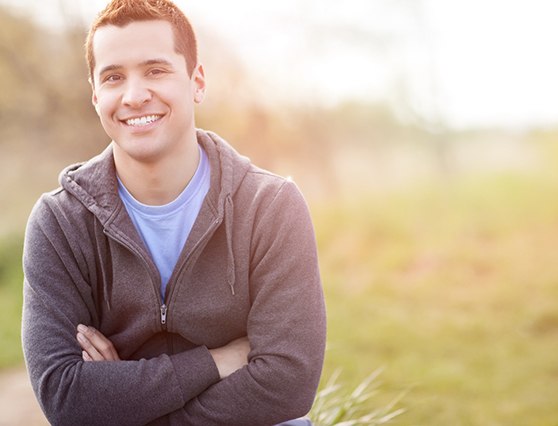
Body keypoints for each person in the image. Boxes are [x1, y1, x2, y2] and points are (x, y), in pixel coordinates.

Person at [21, 0, 326, 425]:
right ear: (95, 95)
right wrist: (218, 362)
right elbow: (65, 397)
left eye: (156, 70)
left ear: (196, 81)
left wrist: (124, 402)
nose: (134, 95)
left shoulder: (271, 207)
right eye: (113, 77)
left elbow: (288, 383)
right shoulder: (60, 223)